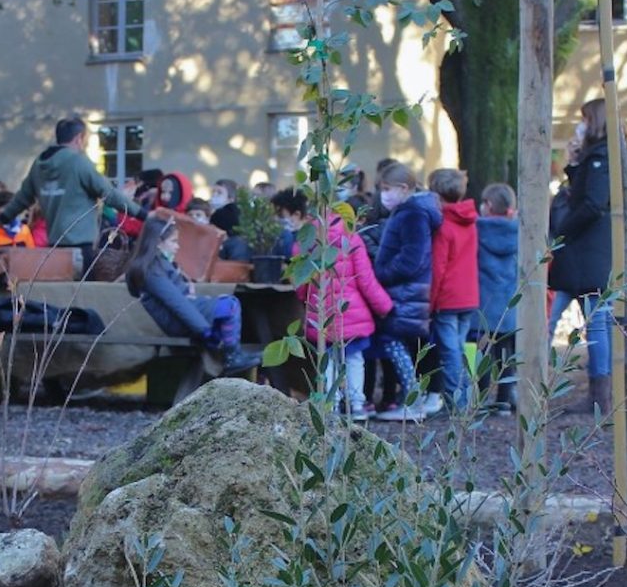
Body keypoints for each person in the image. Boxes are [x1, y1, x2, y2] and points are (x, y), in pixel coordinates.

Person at [549, 97, 627, 417]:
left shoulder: (603, 157)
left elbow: (591, 203)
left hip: (588, 252)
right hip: (587, 252)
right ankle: (598, 394)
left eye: (584, 119)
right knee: (592, 322)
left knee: (594, 324)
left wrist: (562, 232)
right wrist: (574, 164)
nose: (580, 125)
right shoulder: (600, 156)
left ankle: (598, 394)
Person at [274, 187, 391, 420]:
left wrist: (305, 300)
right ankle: (357, 405)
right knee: (354, 360)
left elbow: (301, 283)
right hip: (353, 312)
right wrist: (384, 306)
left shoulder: (306, 242)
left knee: (326, 361)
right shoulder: (350, 235)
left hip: (321, 314)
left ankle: (331, 403)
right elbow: (366, 280)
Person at [0, 117, 145, 274]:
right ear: (79, 138)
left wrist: (2, 218)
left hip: (54, 249)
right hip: (81, 249)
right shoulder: (78, 163)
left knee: (57, 295)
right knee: (82, 295)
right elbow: (109, 194)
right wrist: (143, 214)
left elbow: (23, 197)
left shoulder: (39, 165)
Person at [125, 214, 260, 373]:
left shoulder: (155, 266)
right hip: (178, 321)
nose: (177, 247)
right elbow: (176, 302)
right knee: (229, 305)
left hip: (179, 318)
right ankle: (231, 357)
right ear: (159, 242)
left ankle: (230, 353)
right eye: (174, 242)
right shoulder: (153, 271)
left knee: (226, 305)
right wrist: (204, 331)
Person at [370, 162, 437, 422]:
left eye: (387, 189)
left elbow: (412, 258)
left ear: (403, 188)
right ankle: (412, 397)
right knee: (400, 344)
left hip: (405, 292)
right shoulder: (409, 211)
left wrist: (382, 273)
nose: (383, 194)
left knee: (394, 342)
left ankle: (413, 399)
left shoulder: (413, 214)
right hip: (406, 291)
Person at [425, 168, 480, 414]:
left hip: (448, 298)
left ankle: (458, 404)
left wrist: (430, 302)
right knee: (458, 348)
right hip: (468, 295)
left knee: (450, 352)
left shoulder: (443, 226)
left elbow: (438, 267)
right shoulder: (470, 221)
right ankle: (466, 397)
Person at [475, 182, 520, 412]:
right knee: (506, 353)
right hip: (510, 302)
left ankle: (480, 399)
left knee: (483, 352)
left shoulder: (477, 230)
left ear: (488, 206)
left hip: (484, 301)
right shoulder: (520, 233)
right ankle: (504, 398)